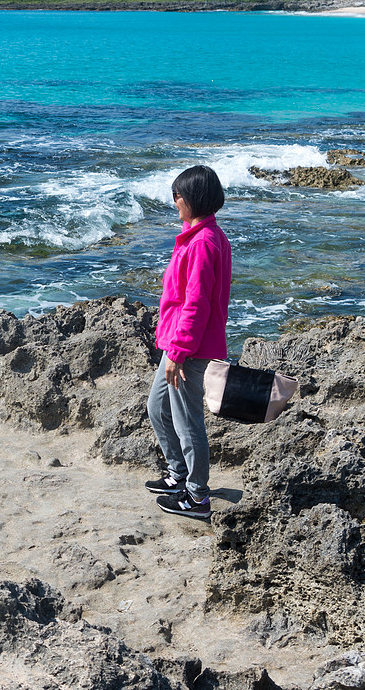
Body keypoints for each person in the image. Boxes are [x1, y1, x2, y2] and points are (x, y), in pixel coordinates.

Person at [144, 165, 232, 520]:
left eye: (178, 195)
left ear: (194, 198)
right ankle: (177, 474)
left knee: (187, 421)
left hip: (189, 349)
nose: (174, 201)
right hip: (177, 345)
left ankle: (197, 498)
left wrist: (178, 353)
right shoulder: (198, 236)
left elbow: (196, 304)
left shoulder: (203, 243)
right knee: (157, 408)